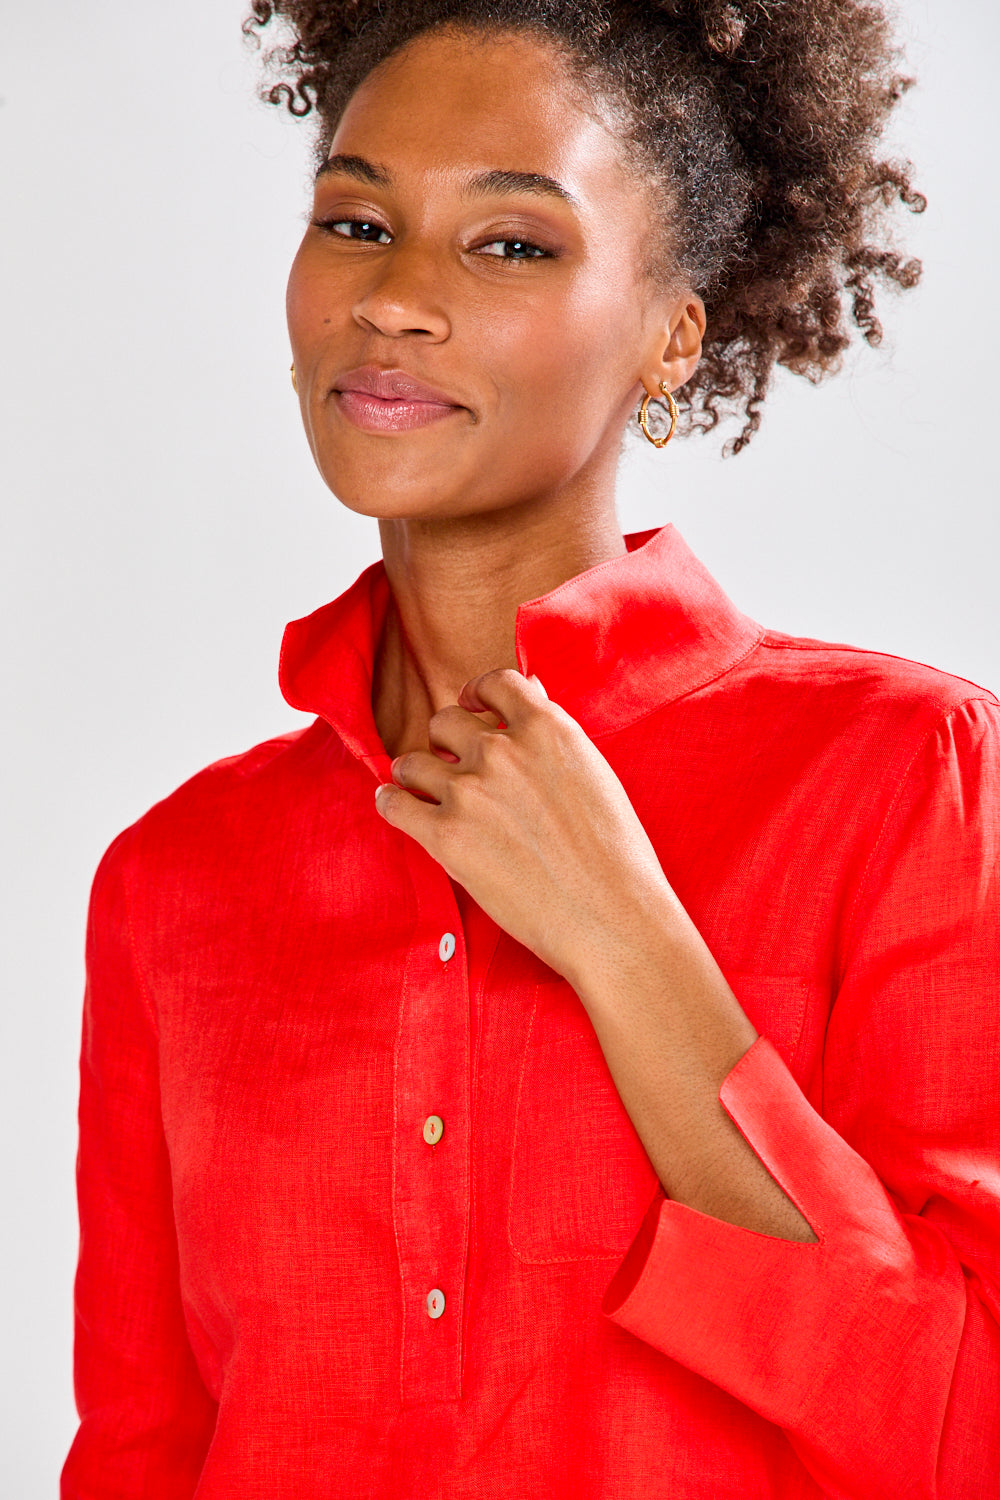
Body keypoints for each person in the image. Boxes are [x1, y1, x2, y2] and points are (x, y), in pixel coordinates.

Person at [61, 2, 1000, 1496]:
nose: (395, 300)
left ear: (674, 327)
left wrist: (629, 946)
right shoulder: (176, 881)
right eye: (357, 221)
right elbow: (142, 1450)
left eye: (509, 244)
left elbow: (965, 1430)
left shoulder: (900, 775)